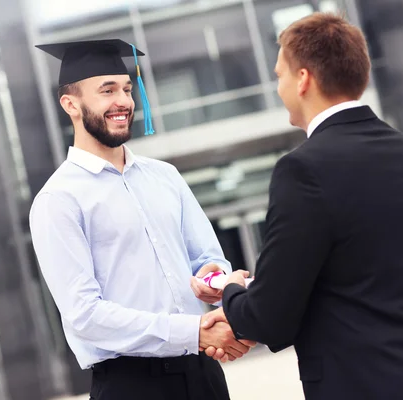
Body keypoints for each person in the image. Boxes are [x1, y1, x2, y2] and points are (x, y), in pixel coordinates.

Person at [201, 12, 403, 400]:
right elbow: (361, 269)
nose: (279, 87)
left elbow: (270, 317)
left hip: (363, 385)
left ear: (303, 79)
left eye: (279, 76)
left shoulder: (302, 169)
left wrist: (233, 291)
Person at [29, 39, 254, 400]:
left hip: (204, 375)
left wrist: (215, 281)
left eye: (126, 89)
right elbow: (84, 315)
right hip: (130, 385)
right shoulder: (58, 200)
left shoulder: (165, 176)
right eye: (107, 91)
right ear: (70, 104)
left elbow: (206, 260)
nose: (123, 102)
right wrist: (193, 331)